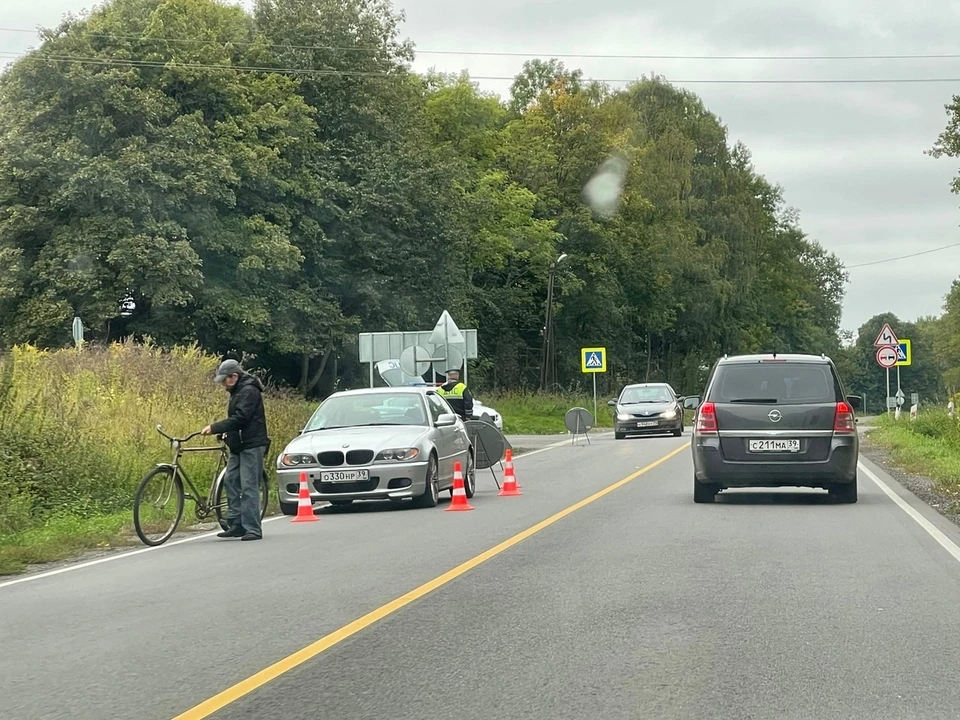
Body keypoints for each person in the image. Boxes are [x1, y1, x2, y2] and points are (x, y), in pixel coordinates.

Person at [202, 359, 269, 541]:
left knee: (248, 486)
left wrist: (216, 427)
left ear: (235, 376)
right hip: (238, 444)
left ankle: (253, 528)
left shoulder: (249, 390)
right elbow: (238, 422)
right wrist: (226, 434)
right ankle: (237, 524)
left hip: (252, 444)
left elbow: (241, 418)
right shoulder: (237, 390)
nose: (223, 383)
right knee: (231, 480)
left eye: (225, 379)